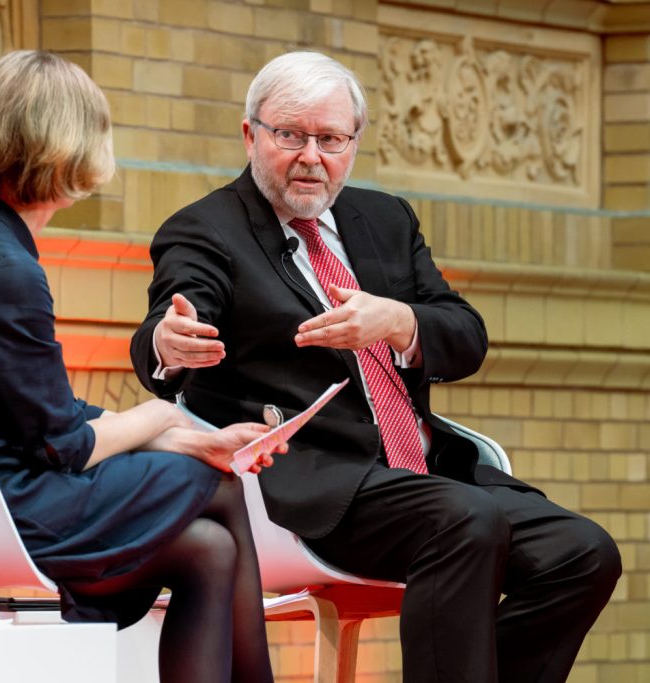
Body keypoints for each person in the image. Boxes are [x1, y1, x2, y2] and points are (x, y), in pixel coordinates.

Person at [130, 50, 621, 683]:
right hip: (312, 487)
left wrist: (401, 323)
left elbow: (467, 335)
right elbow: (166, 326)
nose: (312, 156)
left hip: (424, 472)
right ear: (250, 134)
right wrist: (168, 343)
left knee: (582, 553)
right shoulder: (206, 230)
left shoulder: (385, 219)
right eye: (291, 136)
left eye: (330, 139)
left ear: (354, 143)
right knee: (465, 520)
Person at [0, 50, 278, 683]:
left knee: (209, 550)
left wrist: (190, 439)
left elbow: (46, 416)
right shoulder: (2, 268)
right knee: (220, 487)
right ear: (68, 150)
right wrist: (163, 412)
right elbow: (64, 444)